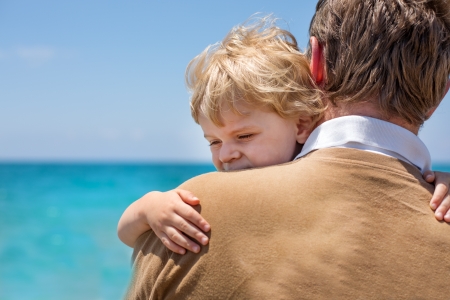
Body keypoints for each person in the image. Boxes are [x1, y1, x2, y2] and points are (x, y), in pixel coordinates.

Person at [126, 1, 450, 298]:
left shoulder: (193, 216)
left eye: (244, 136)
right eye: (214, 141)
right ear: (440, 94)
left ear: (316, 64)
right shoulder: (440, 211)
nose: (226, 155)